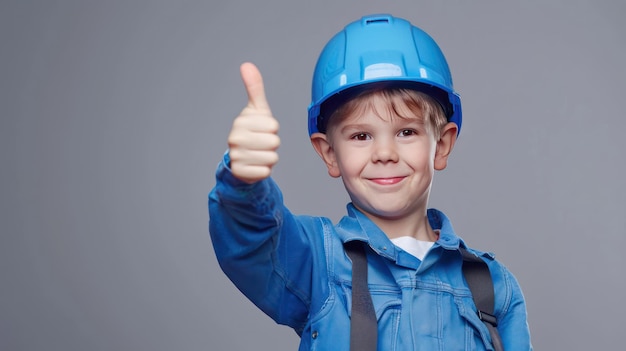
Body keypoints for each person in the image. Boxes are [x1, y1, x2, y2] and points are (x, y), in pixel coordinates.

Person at [209, 14, 532, 350]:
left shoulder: (492, 286)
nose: (384, 153)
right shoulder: (318, 263)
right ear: (329, 153)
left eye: (407, 132)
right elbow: (252, 240)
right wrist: (244, 181)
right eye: (361, 135)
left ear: (443, 144)